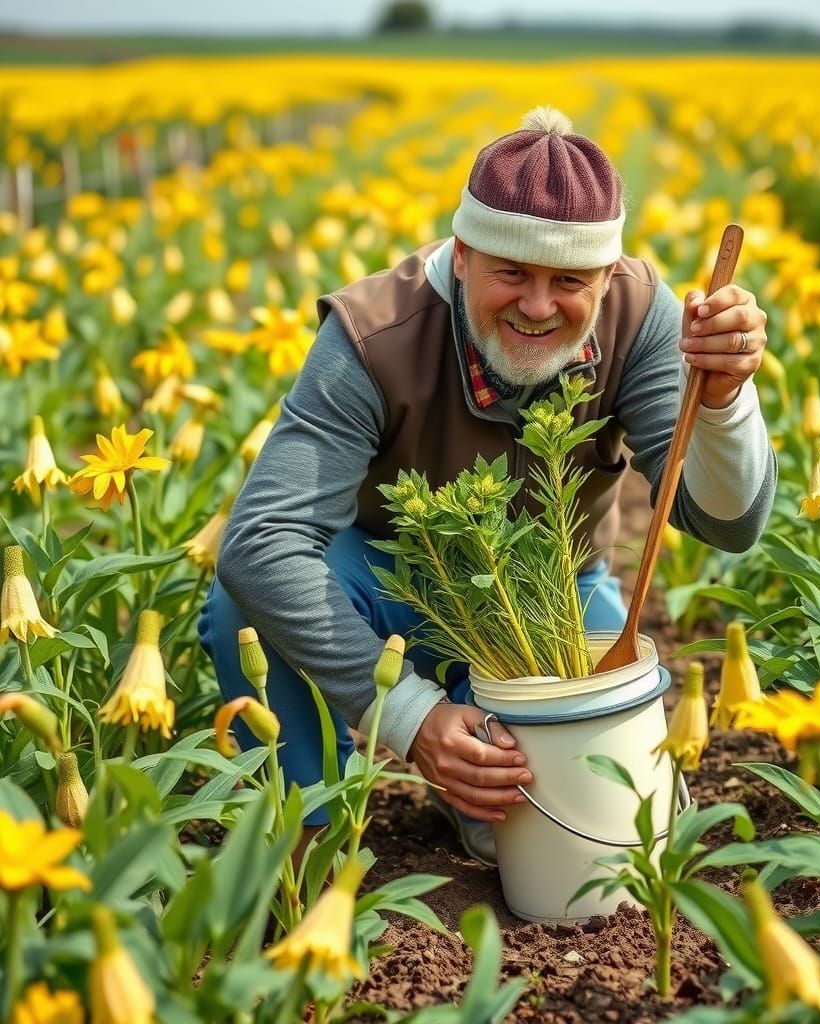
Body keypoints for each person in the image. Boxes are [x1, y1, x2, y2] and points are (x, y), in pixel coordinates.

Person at [199, 106, 775, 867]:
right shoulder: (375, 334)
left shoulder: (641, 319)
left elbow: (725, 525)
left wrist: (727, 398)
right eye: (511, 272)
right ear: (462, 253)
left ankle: (478, 780)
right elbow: (262, 542)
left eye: (569, 280)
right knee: (244, 602)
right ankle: (308, 825)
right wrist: (405, 716)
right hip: (389, 586)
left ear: (607, 276)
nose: (537, 307)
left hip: (552, 601)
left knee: (580, 854)